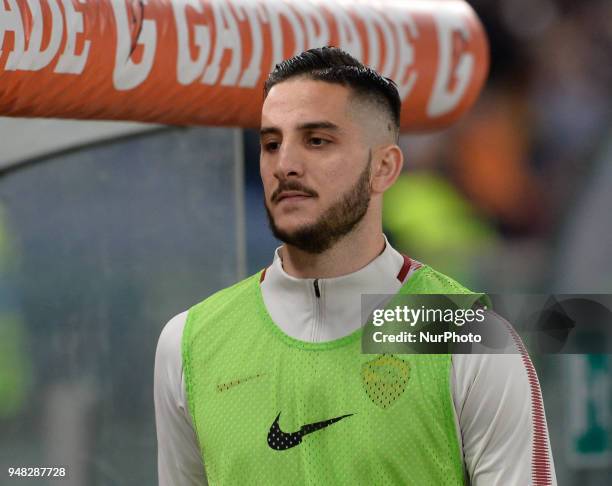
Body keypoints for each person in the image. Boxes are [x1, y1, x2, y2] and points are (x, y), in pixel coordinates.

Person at [154, 47, 557, 485]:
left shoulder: (466, 336)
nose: (284, 164)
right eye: (272, 143)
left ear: (383, 168)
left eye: (317, 141)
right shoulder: (189, 343)